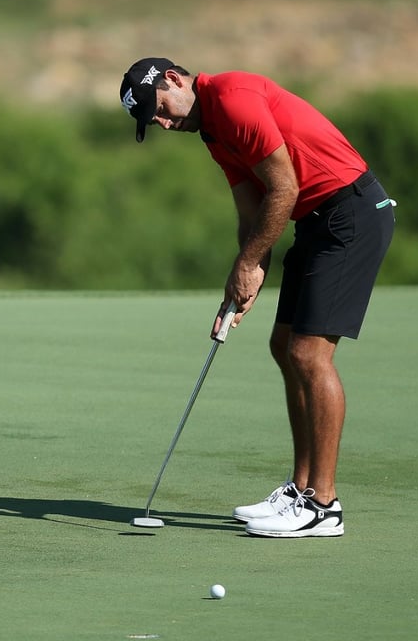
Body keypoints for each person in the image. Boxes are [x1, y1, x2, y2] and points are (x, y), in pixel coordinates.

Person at [119, 57, 396, 538]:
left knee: (309, 353)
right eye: (153, 121)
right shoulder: (213, 133)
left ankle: (324, 507)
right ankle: (301, 490)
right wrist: (243, 274)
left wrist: (250, 263)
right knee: (283, 343)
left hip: (350, 213)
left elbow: (284, 187)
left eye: (159, 109)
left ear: (173, 79)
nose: (163, 123)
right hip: (317, 220)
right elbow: (252, 208)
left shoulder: (232, 100)